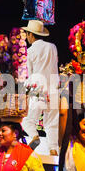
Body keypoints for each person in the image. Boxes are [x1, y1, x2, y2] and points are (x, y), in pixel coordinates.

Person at [21, 20, 59, 156]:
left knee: (26, 119)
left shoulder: (30, 51)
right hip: (53, 87)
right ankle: (53, 150)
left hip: (38, 86)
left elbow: (30, 73)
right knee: (52, 122)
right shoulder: (52, 47)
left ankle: (35, 136)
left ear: (31, 34)